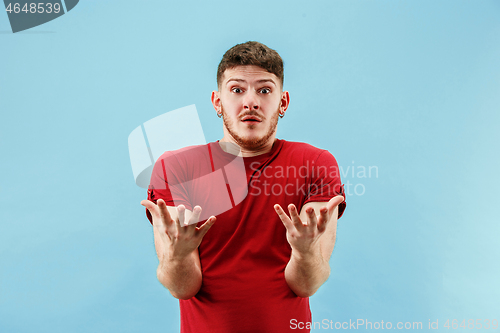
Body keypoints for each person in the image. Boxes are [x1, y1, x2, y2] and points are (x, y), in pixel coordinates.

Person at [141, 41, 346, 333]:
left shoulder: (316, 163)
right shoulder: (176, 168)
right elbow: (182, 288)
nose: (251, 102)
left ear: (283, 102)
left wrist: (304, 252)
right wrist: (177, 253)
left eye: (264, 90)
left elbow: (306, 284)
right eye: (237, 90)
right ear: (217, 102)